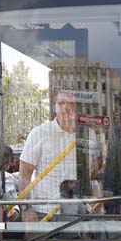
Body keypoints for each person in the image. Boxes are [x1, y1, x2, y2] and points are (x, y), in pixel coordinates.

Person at [19, 89, 78, 220]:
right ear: (54, 105)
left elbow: (93, 176)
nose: (66, 107)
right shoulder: (39, 133)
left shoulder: (88, 135)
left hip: (79, 212)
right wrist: (26, 209)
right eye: (61, 103)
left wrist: (98, 205)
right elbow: (24, 175)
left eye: (71, 103)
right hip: (45, 212)